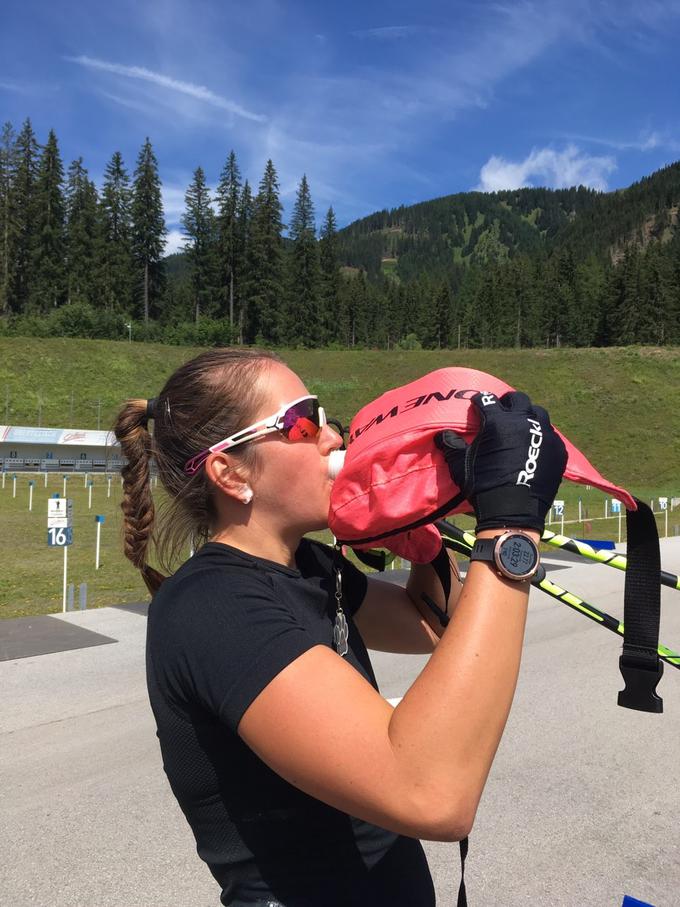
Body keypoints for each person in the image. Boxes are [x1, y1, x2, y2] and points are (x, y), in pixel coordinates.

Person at [114, 348, 567, 907]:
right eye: (304, 422)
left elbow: (430, 626)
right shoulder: (211, 605)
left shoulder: (308, 566)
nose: (332, 436)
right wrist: (510, 527)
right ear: (230, 472)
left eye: (325, 417)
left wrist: (422, 537)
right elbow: (434, 795)